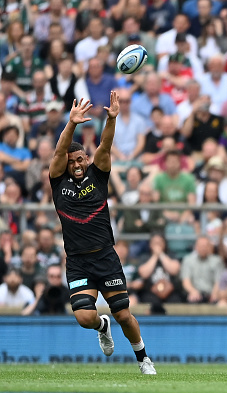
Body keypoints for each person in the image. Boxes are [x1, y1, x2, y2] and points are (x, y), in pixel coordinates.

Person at [49, 93, 156, 374]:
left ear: (86, 158)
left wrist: (111, 118)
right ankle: (101, 325)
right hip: (78, 261)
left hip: (106, 257)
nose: (77, 164)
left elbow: (106, 146)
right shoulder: (58, 182)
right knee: (85, 317)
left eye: (80, 159)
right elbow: (59, 154)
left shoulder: (98, 175)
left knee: (123, 313)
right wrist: (71, 124)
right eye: (72, 161)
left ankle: (144, 359)